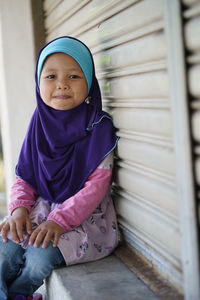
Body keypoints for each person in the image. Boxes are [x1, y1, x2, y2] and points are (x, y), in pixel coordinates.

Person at [0, 36, 119, 300]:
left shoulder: (98, 128)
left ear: (89, 82)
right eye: (51, 76)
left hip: (80, 219)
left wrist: (58, 222)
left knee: (38, 259)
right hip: (39, 210)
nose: (62, 84)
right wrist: (18, 209)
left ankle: (20, 294)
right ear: (38, 82)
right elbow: (25, 176)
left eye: (74, 76)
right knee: (4, 248)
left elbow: (96, 189)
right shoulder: (38, 123)